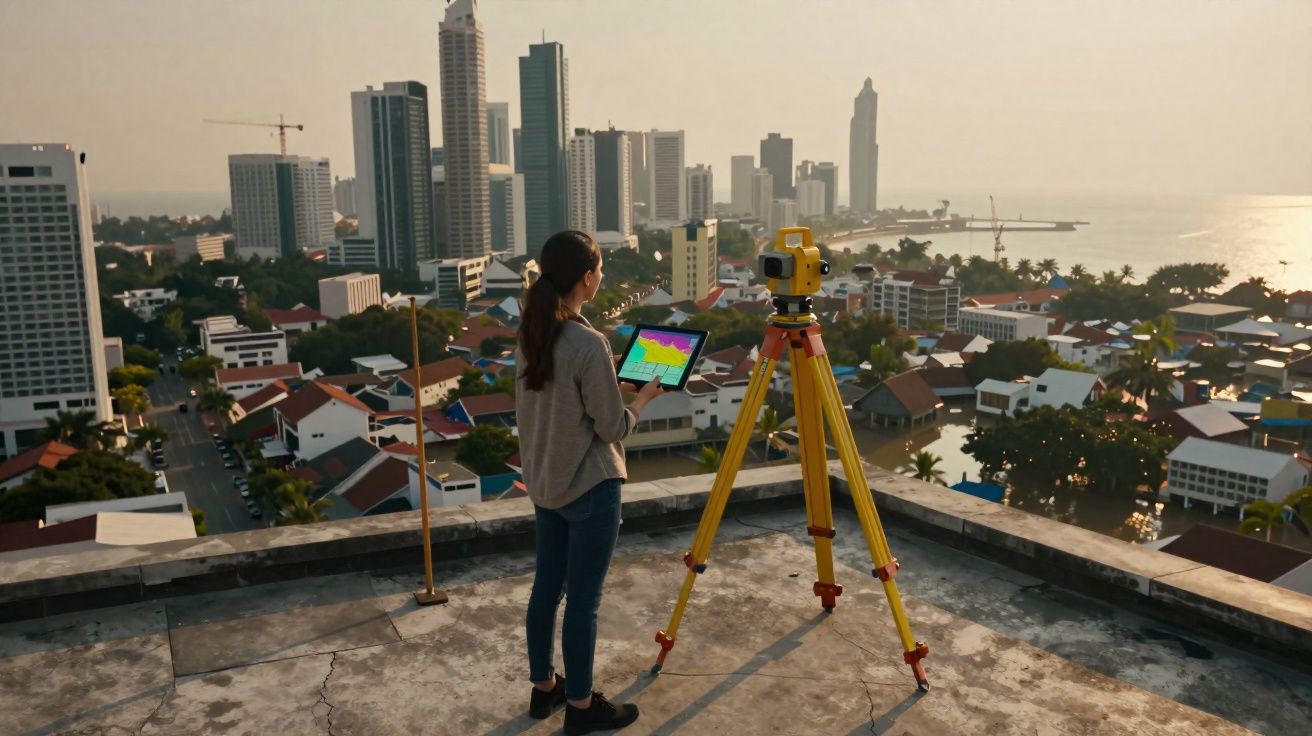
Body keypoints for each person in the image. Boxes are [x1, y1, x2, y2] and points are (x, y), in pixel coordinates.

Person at [516, 230, 664, 734]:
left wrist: (609, 385)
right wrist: (642, 400)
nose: (603, 278)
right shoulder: (588, 341)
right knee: (583, 604)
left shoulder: (532, 331)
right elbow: (611, 427)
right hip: (589, 489)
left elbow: (563, 397)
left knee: (546, 591)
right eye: (600, 270)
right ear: (586, 277)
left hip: (545, 484)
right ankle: (580, 708)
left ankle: (545, 689)